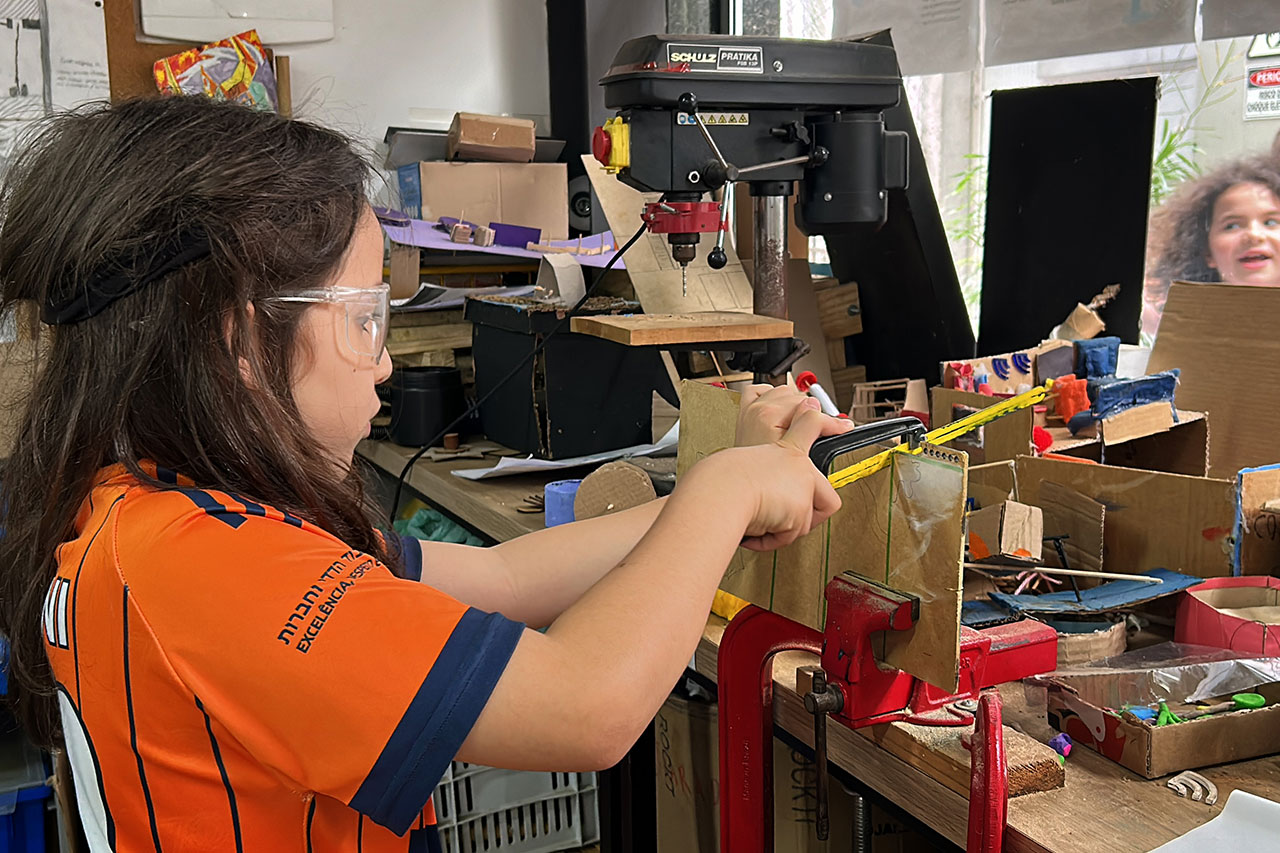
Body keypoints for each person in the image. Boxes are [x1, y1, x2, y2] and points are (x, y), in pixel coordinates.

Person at [0, 97, 852, 852]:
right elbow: (588, 706)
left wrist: (717, 482)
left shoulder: (162, 513)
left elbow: (504, 576)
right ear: (243, 341)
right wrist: (724, 494)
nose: (383, 362)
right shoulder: (211, 570)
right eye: (365, 317)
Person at [1144, 153, 1280, 335]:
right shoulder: (1181, 327)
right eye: (1232, 226)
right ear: (1207, 252)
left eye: (1271, 222)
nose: (1253, 235)